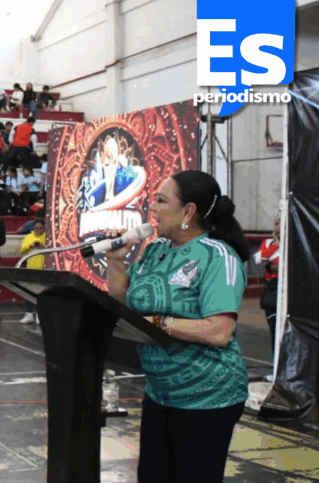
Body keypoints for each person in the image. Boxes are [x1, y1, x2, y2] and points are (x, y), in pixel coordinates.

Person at [105, 170, 248, 483]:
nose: (152, 208)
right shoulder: (155, 250)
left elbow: (218, 331)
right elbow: (124, 302)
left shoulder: (218, 257)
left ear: (188, 211)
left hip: (208, 397)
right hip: (161, 394)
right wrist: (116, 261)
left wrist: (158, 324)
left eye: (160, 200)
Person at [253, 215, 280, 378]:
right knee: (274, 331)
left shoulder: (292, 243)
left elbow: (286, 264)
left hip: (286, 289)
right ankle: (276, 370)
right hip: (271, 290)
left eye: (281, 224)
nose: (277, 227)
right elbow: (258, 259)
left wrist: (272, 263)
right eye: (276, 223)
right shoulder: (268, 243)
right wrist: (275, 246)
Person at [18, 219, 46, 324]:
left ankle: (40, 315)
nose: (38, 230)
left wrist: (43, 247)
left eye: (40, 228)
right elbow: (22, 251)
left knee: (41, 293)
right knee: (29, 292)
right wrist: (31, 246)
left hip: (43, 268)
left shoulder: (47, 237)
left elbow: (53, 249)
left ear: (44, 228)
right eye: (36, 228)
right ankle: (29, 314)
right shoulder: (29, 237)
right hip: (31, 267)